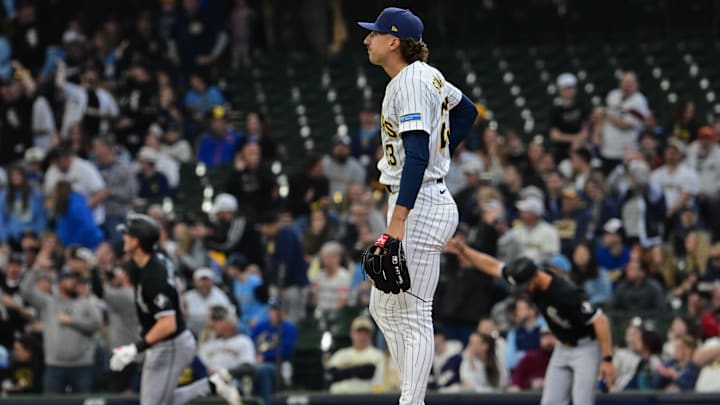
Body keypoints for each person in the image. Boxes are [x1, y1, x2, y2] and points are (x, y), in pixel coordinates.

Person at [357, 7, 477, 404]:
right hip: (424, 194)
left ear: (394, 41)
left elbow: (417, 158)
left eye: (373, 34)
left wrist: (397, 221)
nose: (366, 40)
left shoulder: (410, 82)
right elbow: (467, 110)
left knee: (414, 313)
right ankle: (412, 395)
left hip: (420, 200)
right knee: (384, 307)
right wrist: (442, 150)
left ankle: (412, 401)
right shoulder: (427, 76)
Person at [445, 239, 616, 404]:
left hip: (586, 347)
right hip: (563, 346)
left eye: (524, 286)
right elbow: (493, 266)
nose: (523, 291)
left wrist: (607, 360)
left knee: (582, 401)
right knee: (550, 401)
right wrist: (464, 250)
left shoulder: (565, 293)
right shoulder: (525, 277)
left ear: (535, 277)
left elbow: (600, 320)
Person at [108, 213, 240, 405]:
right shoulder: (153, 260)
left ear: (137, 241)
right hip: (164, 342)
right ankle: (213, 384)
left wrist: (134, 349)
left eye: (128, 235)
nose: (124, 238)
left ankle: (212, 385)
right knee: (161, 401)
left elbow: (167, 324)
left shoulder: (154, 275)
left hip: (170, 344)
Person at [19, 268, 102, 394]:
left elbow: (97, 324)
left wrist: (73, 321)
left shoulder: (86, 303)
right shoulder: (49, 302)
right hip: (54, 366)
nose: (74, 282)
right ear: (60, 282)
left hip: (81, 366)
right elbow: (25, 290)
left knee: (83, 402)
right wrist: (35, 269)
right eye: (69, 279)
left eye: (76, 279)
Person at [595, 71, 649, 173]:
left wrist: (606, 113)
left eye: (629, 83)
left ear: (636, 85)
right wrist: (598, 134)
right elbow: (602, 117)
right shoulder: (613, 95)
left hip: (626, 153)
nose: (626, 86)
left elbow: (625, 125)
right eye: (624, 83)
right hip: (606, 150)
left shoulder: (640, 101)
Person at [326, 317, 385, 393]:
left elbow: (376, 380)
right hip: (339, 398)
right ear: (351, 333)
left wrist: (344, 372)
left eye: (366, 333)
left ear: (371, 335)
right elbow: (331, 375)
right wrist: (359, 371)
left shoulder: (377, 355)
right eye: (359, 332)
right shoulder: (340, 354)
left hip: (366, 399)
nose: (362, 336)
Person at [199, 305, 256, 375]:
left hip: (232, 380)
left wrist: (224, 373)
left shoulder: (243, 341)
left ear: (228, 322)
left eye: (217, 320)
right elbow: (201, 364)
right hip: (209, 381)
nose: (212, 324)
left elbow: (248, 367)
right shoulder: (209, 343)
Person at [549, 73, 589, 162]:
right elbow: (555, 135)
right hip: (563, 152)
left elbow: (586, 125)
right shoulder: (555, 110)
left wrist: (581, 139)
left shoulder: (581, 106)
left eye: (572, 87)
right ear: (560, 90)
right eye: (567, 88)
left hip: (582, 146)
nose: (570, 91)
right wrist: (576, 138)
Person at [183, 267, 233, 336]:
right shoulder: (187, 297)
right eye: (201, 280)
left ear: (212, 281)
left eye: (207, 280)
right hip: (191, 334)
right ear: (194, 282)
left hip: (214, 335)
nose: (204, 284)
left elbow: (228, 318)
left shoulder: (220, 296)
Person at [509, 326, 556, 391]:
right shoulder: (530, 357)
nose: (549, 340)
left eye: (552, 336)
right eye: (545, 337)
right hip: (531, 397)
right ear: (540, 339)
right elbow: (515, 380)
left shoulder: (563, 359)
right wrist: (534, 383)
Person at [427, 325, 463, 391]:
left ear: (441, 337)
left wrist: (437, 386)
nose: (432, 340)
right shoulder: (429, 355)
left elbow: (449, 375)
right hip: (437, 391)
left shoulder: (455, 355)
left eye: (434, 337)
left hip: (454, 391)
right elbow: (430, 376)